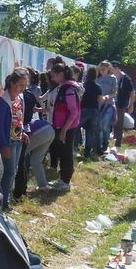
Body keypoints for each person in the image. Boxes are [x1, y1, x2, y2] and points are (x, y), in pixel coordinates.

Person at [0, 69, 30, 209]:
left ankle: (4, 200)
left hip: (17, 139)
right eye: (21, 85)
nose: (23, 88)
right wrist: (4, 145)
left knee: (13, 170)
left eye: (25, 85)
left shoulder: (20, 98)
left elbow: (19, 119)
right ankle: (3, 203)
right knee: (9, 172)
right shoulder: (3, 100)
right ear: (13, 84)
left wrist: (23, 132)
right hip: (8, 141)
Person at [48, 61, 80, 192]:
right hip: (61, 126)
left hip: (67, 127)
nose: (52, 78)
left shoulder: (69, 89)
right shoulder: (63, 87)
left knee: (66, 154)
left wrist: (64, 130)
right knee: (62, 152)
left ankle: (66, 182)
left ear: (61, 74)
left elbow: (74, 112)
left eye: (54, 75)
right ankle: (62, 178)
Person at [26, 119, 57, 192]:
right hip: (51, 131)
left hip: (41, 131)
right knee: (36, 160)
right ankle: (43, 186)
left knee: (19, 156)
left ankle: (15, 185)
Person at [78, 67, 102, 160]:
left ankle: (74, 148)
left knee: (75, 129)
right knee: (90, 133)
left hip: (84, 109)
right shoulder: (98, 87)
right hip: (94, 110)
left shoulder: (83, 86)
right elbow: (100, 99)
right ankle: (87, 154)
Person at [95, 61, 118, 152]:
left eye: (104, 69)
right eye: (100, 69)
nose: (102, 71)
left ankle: (105, 142)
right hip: (99, 105)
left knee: (105, 124)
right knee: (99, 125)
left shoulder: (113, 78)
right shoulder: (98, 79)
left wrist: (107, 97)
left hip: (109, 104)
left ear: (108, 68)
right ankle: (99, 145)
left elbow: (115, 92)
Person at [112, 62, 134, 147]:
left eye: (112, 68)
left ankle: (118, 143)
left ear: (117, 68)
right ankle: (113, 138)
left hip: (121, 103)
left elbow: (132, 92)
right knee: (113, 121)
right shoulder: (112, 77)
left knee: (119, 122)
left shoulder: (126, 78)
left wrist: (131, 104)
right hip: (113, 102)